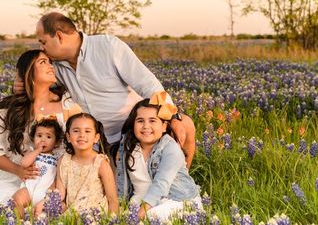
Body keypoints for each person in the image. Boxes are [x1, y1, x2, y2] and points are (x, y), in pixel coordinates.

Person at [15, 12, 196, 168]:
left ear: (60, 36)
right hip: (93, 140)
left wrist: (173, 117)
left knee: (185, 123)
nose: (41, 48)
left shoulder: (108, 46)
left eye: (43, 42)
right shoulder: (55, 65)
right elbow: (38, 81)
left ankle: (180, 183)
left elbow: (148, 84)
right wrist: (20, 81)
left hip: (132, 128)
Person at [0, 49, 80, 204]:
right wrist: (18, 171)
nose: (51, 66)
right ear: (28, 72)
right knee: (8, 205)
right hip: (16, 179)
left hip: (58, 180)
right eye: (43, 62)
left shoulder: (67, 104)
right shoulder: (8, 109)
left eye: (50, 62)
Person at [117, 93, 201, 220]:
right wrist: (119, 204)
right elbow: (122, 181)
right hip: (139, 200)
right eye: (140, 121)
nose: (146, 126)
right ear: (133, 124)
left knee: (151, 216)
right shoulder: (127, 146)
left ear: (163, 126)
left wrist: (142, 212)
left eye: (152, 121)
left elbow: (161, 183)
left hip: (177, 200)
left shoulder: (170, 148)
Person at [55, 113, 119, 213]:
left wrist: (112, 222)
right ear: (68, 137)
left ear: (96, 138)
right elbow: (59, 196)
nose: (82, 135)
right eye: (76, 131)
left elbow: (113, 200)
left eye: (87, 131)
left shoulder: (101, 163)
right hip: (71, 216)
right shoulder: (64, 161)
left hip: (97, 217)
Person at [12, 117, 62, 218]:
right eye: (39, 136)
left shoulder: (58, 159)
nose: (43, 139)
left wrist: (52, 189)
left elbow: (58, 176)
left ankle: (35, 224)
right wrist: (37, 151)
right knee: (16, 198)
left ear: (56, 143)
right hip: (29, 188)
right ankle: (19, 221)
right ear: (33, 138)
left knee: (42, 214)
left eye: (48, 137)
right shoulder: (33, 153)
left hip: (45, 191)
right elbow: (24, 163)